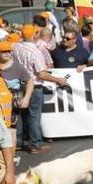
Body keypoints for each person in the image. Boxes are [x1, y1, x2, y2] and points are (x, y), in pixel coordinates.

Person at [13, 25, 67, 154]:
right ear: (34, 35)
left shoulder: (16, 47)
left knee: (21, 116)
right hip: (34, 85)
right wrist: (58, 80)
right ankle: (35, 144)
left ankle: (18, 142)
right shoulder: (34, 52)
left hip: (19, 84)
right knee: (33, 116)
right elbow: (41, 74)